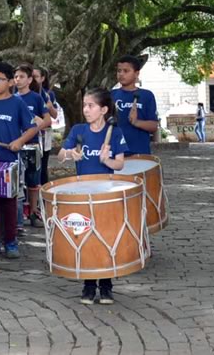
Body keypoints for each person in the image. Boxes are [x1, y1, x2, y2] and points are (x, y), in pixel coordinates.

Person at [58, 88, 128, 305]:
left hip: (105, 192)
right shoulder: (79, 130)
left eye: (91, 106)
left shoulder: (114, 132)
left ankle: (106, 285)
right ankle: (88, 285)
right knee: (85, 235)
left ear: (104, 110)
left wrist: (107, 160)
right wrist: (71, 154)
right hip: (82, 192)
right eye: (84, 105)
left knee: (105, 236)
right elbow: (60, 154)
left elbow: (120, 164)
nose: (86, 109)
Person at [0, 62, 38, 259]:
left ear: (10, 82)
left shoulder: (17, 103)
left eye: (0, 80)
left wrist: (19, 141)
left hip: (10, 161)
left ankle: (11, 241)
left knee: (9, 203)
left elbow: (32, 127)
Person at [14, 64, 51, 228]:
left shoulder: (36, 98)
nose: (18, 80)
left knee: (33, 181)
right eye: (15, 77)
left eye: (21, 76)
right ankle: (18, 215)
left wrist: (33, 127)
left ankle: (34, 211)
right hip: (15, 146)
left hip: (33, 145)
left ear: (29, 80)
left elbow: (48, 120)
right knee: (16, 182)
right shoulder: (11, 98)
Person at [111, 55, 158, 155]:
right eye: (119, 71)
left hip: (139, 152)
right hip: (115, 153)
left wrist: (136, 122)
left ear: (136, 73)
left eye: (126, 71)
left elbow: (154, 126)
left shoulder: (147, 95)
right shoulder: (111, 95)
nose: (121, 74)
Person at [32, 66, 59, 186]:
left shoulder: (48, 94)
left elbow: (54, 115)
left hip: (45, 134)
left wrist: (49, 106)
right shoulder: (24, 94)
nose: (33, 80)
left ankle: (44, 192)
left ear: (42, 78)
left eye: (36, 77)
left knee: (43, 165)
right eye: (31, 77)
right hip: (30, 135)